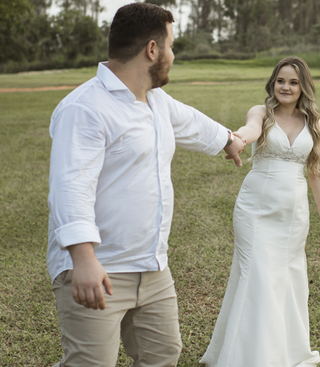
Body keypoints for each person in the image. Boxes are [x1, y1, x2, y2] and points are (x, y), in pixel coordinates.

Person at [46, 3, 246, 366]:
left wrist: (228, 140)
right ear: (152, 50)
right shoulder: (85, 109)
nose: (172, 55)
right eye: (170, 46)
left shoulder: (155, 100)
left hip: (152, 268)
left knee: (162, 355)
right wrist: (84, 260)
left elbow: (192, 123)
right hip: (99, 268)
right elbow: (70, 187)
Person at [199, 56, 320, 366]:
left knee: (287, 279)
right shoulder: (261, 113)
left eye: (293, 82)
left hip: (293, 216)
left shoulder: (313, 122)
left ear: (303, 87)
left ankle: (284, 351)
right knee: (257, 276)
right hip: (256, 210)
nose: (286, 87)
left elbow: (317, 172)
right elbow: (250, 129)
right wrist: (238, 139)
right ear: (272, 84)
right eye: (281, 80)